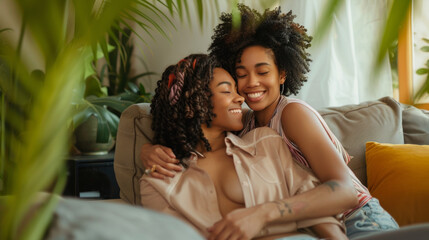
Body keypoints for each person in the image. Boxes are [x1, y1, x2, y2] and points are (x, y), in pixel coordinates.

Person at [140, 4, 399, 239]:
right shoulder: (244, 127)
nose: (251, 83)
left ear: (283, 74)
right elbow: (195, 129)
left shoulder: (292, 114)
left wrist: (264, 213)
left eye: (263, 72)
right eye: (240, 75)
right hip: (312, 225)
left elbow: (345, 192)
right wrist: (150, 150)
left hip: (359, 219)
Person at [140, 54, 347, 240]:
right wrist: (147, 149)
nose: (240, 98)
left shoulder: (265, 142)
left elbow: (311, 203)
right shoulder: (159, 181)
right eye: (226, 91)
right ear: (191, 105)